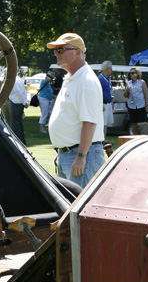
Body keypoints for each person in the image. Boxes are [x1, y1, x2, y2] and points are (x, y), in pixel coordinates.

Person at [45, 32, 105, 185]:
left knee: (78, 207)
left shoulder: (86, 81)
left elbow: (90, 123)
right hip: (71, 154)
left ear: (77, 52)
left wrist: (80, 156)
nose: (56, 53)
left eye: (61, 49)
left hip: (82, 155)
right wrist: (63, 150)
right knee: (69, 206)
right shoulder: (73, 78)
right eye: (55, 50)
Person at [7, 73, 27, 142]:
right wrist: (24, 101)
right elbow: (23, 91)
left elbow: (18, 92)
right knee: (19, 122)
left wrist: (24, 102)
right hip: (20, 102)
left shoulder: (14, 80)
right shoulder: (19, 79)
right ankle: (22, 139)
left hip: (16, 102)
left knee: (15, 123)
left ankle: (17, 140)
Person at [98, 61, 114, 131]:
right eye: (110, 68)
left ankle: (104, 138)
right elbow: (98, 92)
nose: (111, 70)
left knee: (106, 123)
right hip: (104, 104)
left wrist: (112, 102)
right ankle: (101, 139)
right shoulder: (100, 78)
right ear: (107, 69)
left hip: (109, 103)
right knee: (103, 122)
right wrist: (101, 104)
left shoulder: (108, 79)